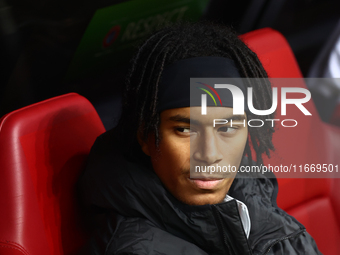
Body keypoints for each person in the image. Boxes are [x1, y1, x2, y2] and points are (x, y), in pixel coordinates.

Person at [79, 22, 322, 254]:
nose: (210, 154)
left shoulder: (255, 198)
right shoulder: (133, 249)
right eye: (185, 130)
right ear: (145, 136)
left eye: (227, 128)